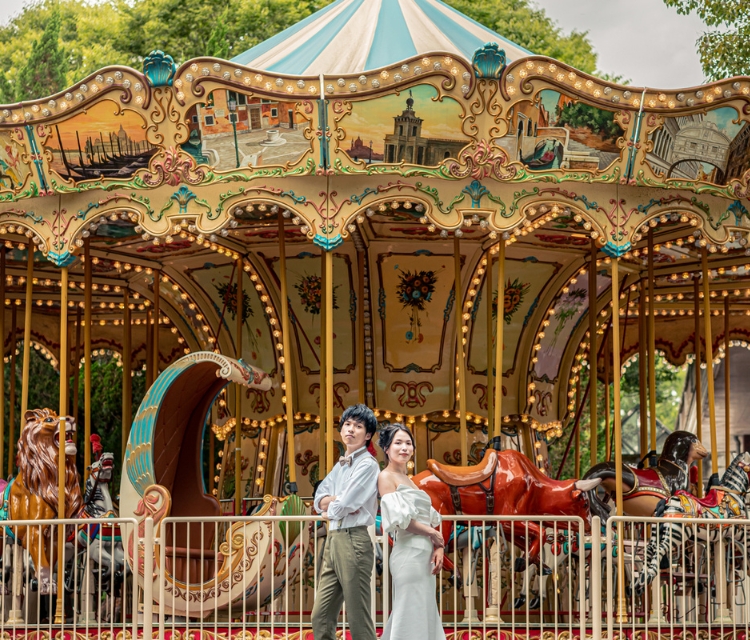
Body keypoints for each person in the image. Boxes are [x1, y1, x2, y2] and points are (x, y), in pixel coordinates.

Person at [312, 404, 379, 640]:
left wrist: (330, 507)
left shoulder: (368, 465)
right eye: (348, 424)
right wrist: (331, 503)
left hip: (354, 540)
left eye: (358, 426)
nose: (351, 429)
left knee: (357, 617)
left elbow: (344, 505)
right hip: (335, 539)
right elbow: (318, 498)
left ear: (367, 434)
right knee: (320, 616)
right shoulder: (340, 465)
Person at [378, 423, 446, 640]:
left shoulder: (411, 481)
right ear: (387, 448)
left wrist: (438, 546)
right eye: (398, 443)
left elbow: (427, 518)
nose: (404, 448)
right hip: (408, 551)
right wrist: (432, 534)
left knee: (424, 609)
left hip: (424, 552)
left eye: (408, 443)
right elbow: (401, 521)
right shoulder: (385, 477)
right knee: (409, 608)